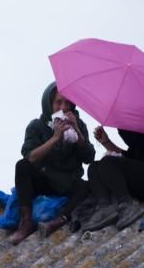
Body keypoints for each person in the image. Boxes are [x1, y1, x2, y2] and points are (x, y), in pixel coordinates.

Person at [9, 82, 94, 244]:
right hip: (45, 179)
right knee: (22, 166)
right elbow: (30, 157)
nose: (63, 107)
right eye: (58, 102)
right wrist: (55, 137)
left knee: (88, 186)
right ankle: (26, 222)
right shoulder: (37, 126)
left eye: (67, 103)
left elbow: (89, 158)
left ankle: (59, 220)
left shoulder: (78, 124)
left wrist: (76, 131)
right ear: (49, 104)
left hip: (69, 182)